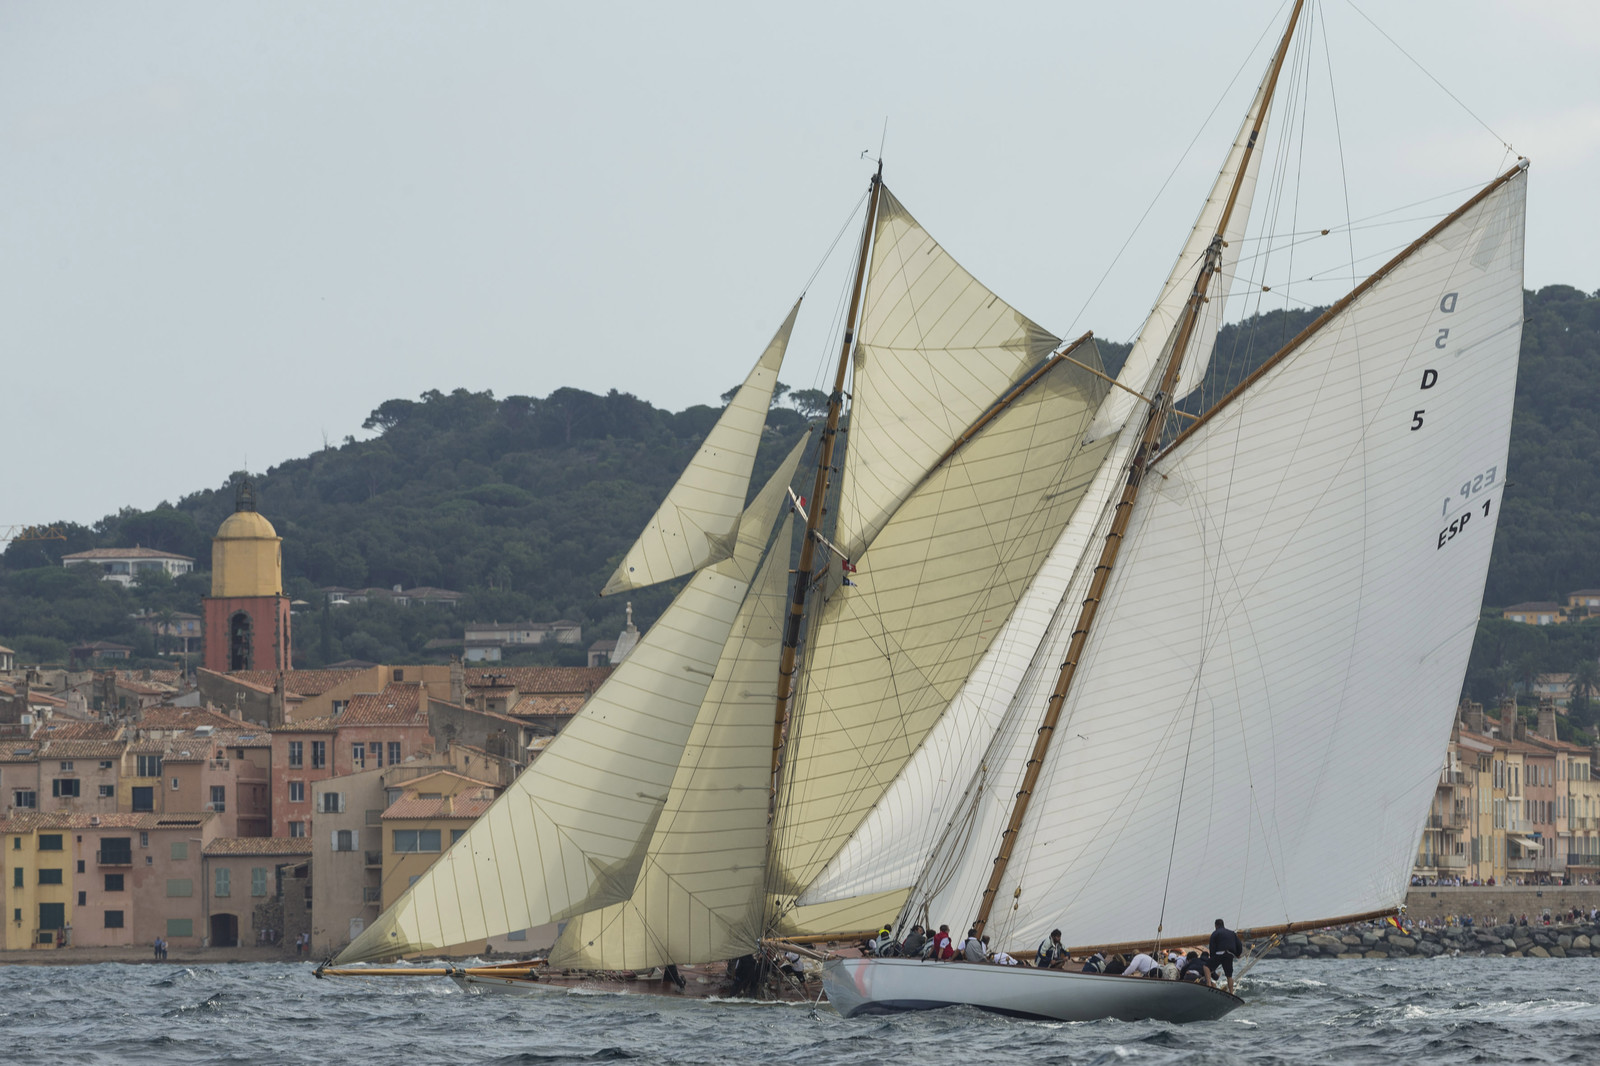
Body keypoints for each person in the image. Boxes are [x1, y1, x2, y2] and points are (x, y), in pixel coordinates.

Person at [1209, 919, 1245, 995]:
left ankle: (1209, 985)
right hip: (1229, 955)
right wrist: (1238, 954)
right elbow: (1239, 944)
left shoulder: (1215, 933)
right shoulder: (1232, 933)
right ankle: (1231, 992)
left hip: (1219, 954)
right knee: (1229, 976)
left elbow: (1212, 947)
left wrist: (1212, 958)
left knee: (1207, 968)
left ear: (1216, 925)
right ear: (1223, 924)